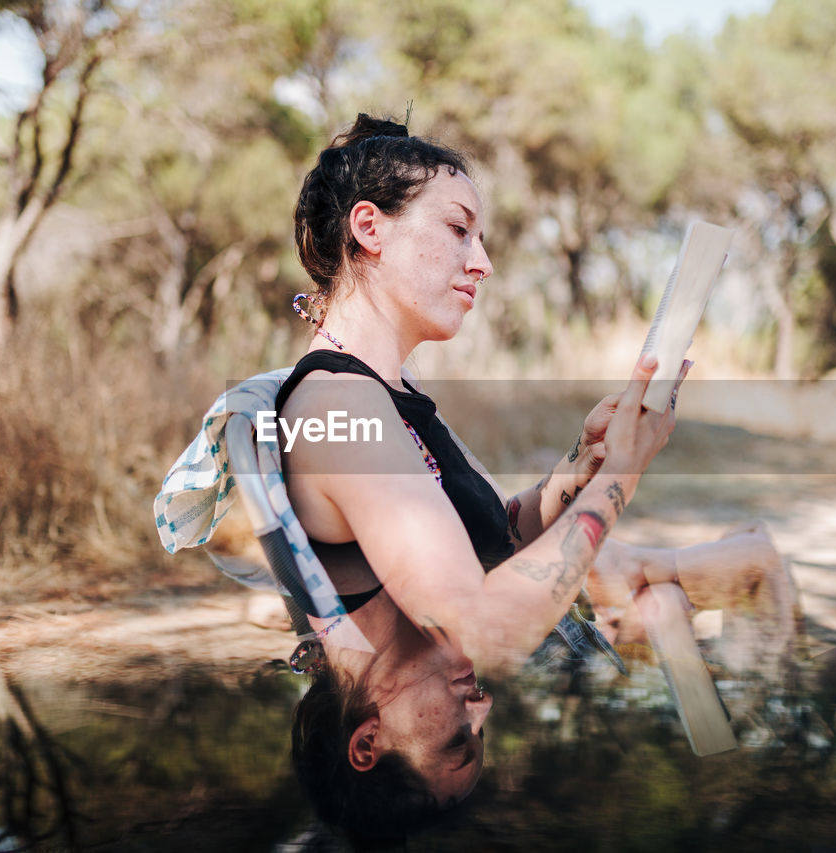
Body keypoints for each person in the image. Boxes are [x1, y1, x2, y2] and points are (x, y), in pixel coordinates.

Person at [278, 113, 682, 841]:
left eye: (480, 236)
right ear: (371, 228)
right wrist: (622, 475)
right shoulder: (340, 406)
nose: (483, 261)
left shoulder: (384, 394)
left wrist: (582, 463)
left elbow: (499, 533)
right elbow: (484, 628)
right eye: (460, 229)